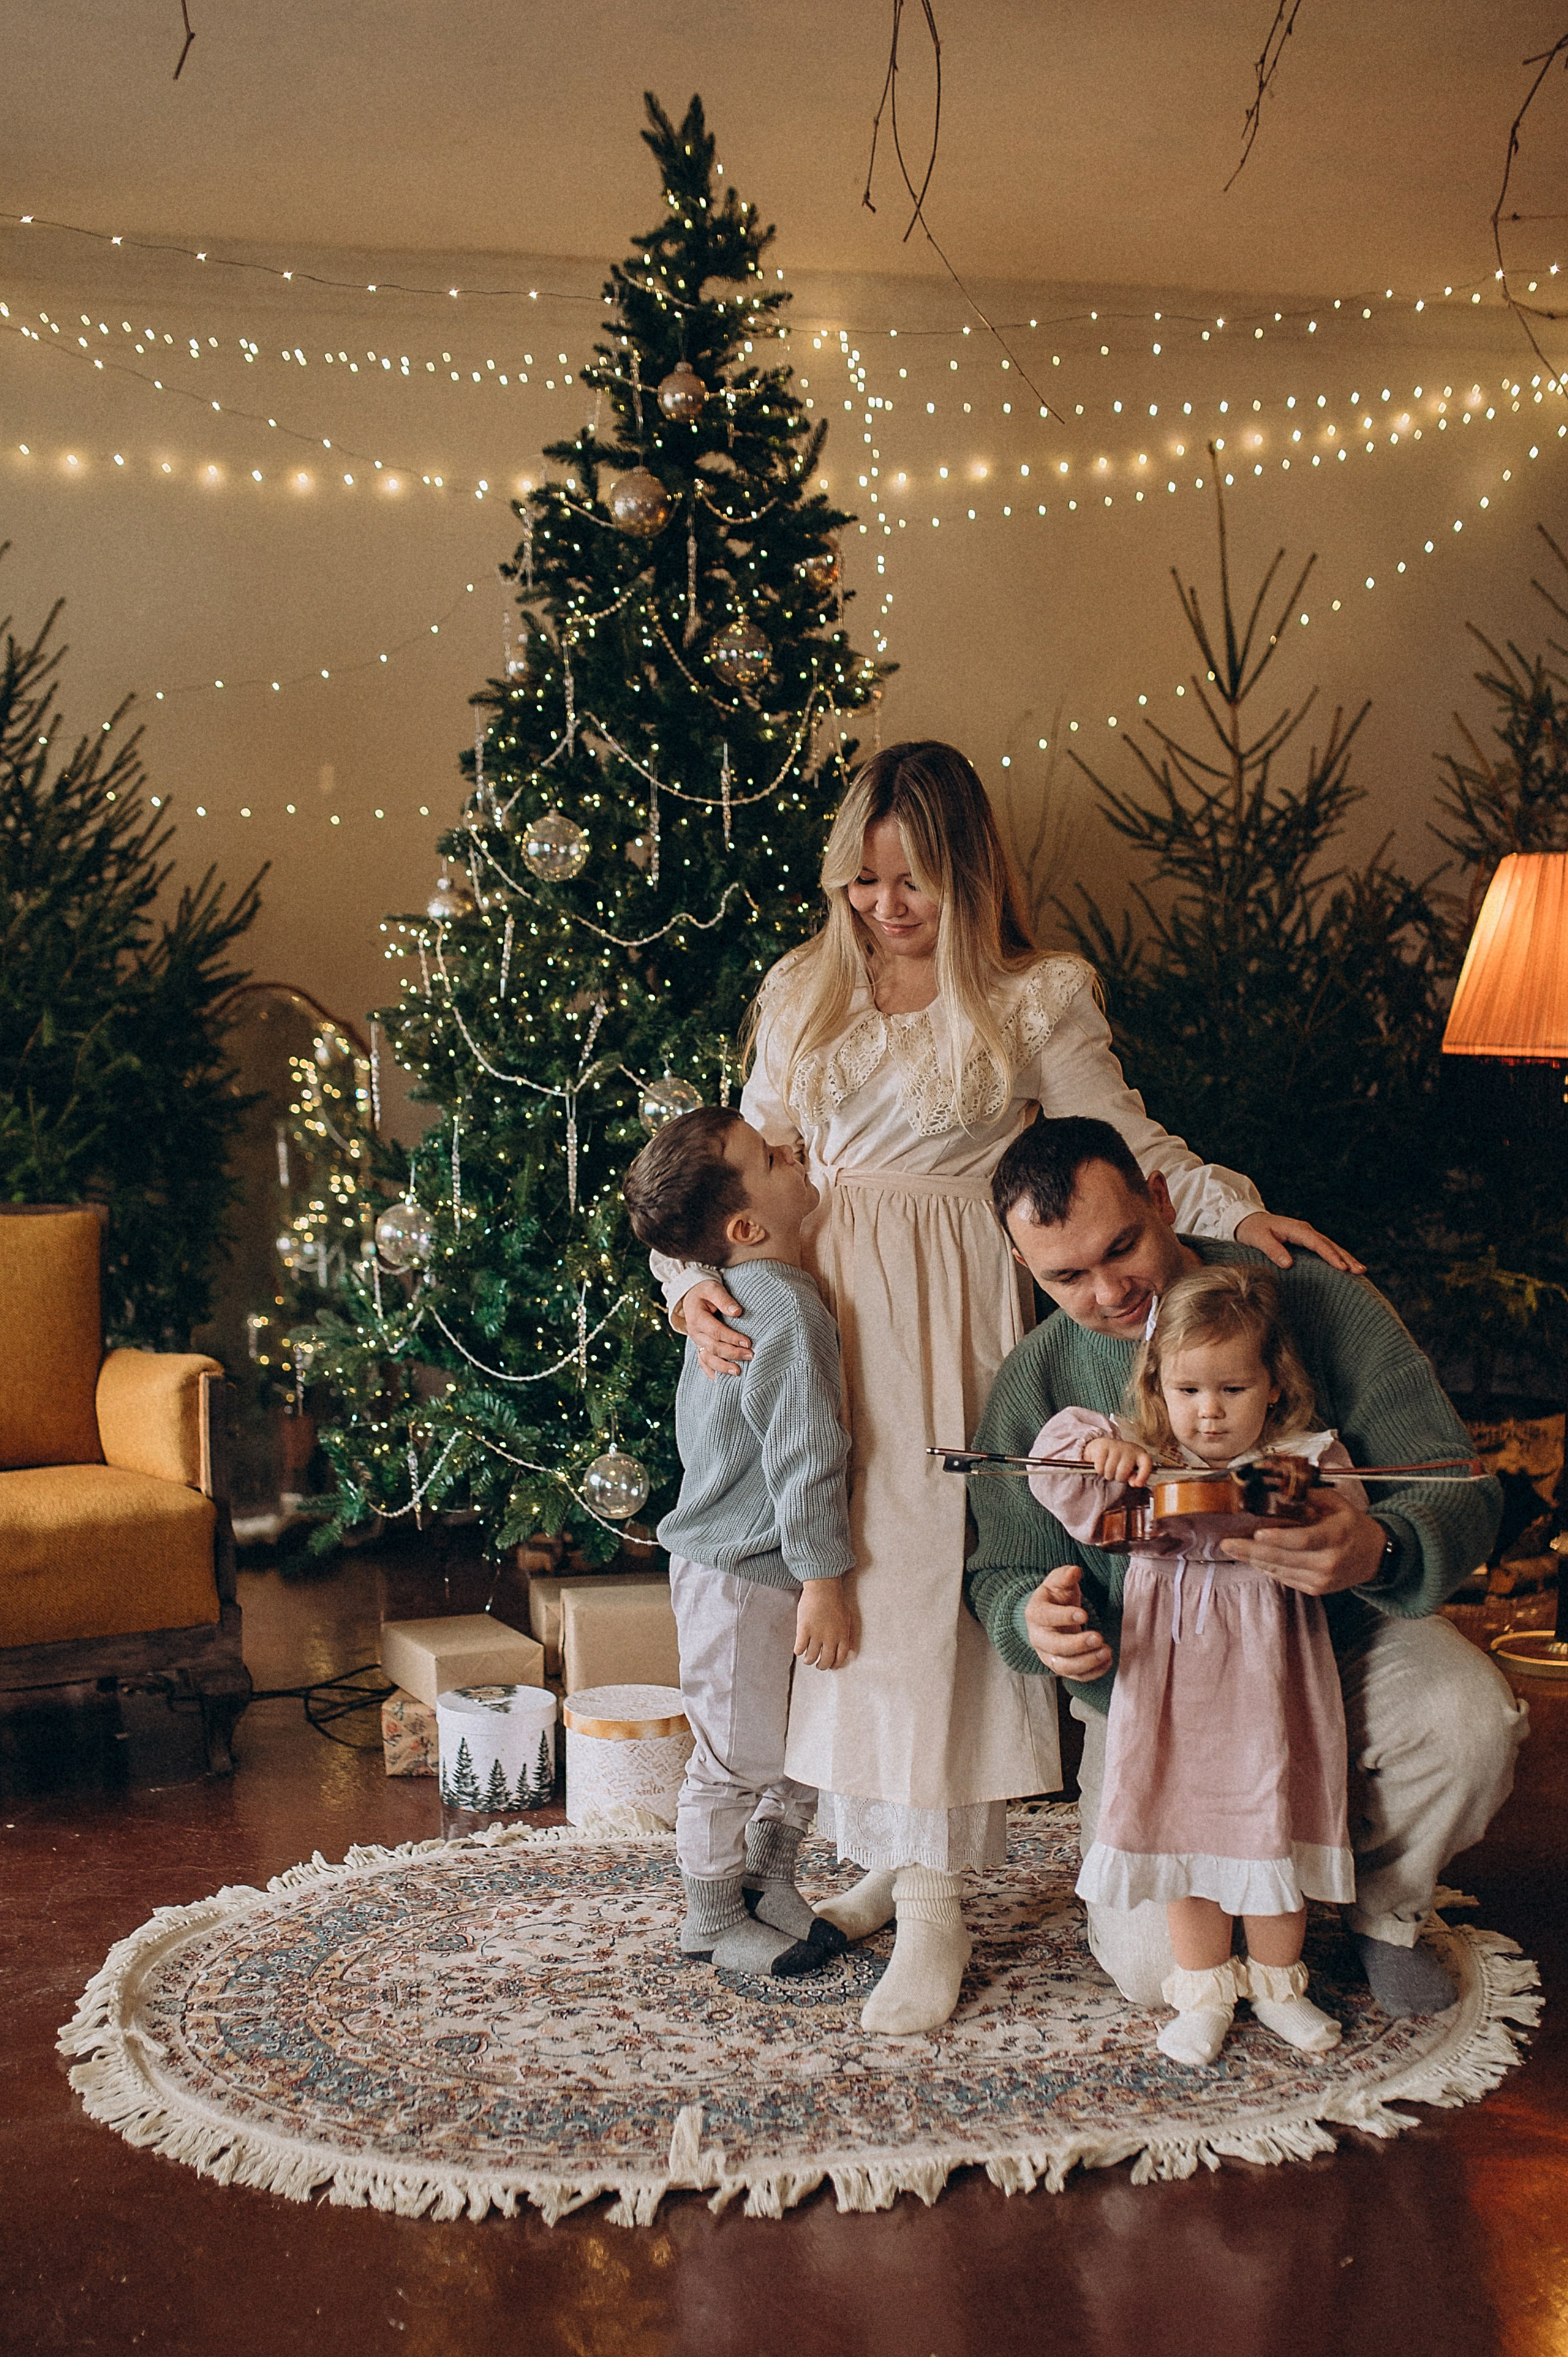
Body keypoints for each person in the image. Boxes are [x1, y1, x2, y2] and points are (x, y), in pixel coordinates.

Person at [653, 741, 1353, 2036]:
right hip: (816, 1309)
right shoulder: (802, 984)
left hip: (950, 1319)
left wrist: (1240, 1214)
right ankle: (884, 1854)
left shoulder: (1035, 996)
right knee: (841, 1591)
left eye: (910, 882)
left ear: (967, 874)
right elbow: (731, 1164)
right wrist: (683, 1281)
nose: (883, 909)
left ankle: (935, 1901)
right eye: (861, 883)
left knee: (925, 1598)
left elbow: (1127, 1151)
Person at [965, 1116, 1526, 2019]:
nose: (1108, 1293)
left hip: (1326, 1645)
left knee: (1471, 1722)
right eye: (1065, 1276)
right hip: (1161, 1689)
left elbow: (1455, 1487)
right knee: (1162, 1975)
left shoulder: (1311, 1301)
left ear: (1160, 1199)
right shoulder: (1039, 1376)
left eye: (1123, 1248)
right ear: (1025, 1266)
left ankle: (1382, 1908)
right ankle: (1281, 1879)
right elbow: (1003, 1570)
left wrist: (1377, 1545)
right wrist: (1029, 1620)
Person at [1028, 1264, 1360, 2065]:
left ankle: (1283, 1987)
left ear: (1273, 1387)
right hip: (1172, 1683)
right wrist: (1103, 1449)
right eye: (1188, 1391)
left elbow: (1344, 1516)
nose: (1208, 1413)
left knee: (1271, 1828)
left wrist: (1309, 1499)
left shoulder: (1301, 1457)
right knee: (1185, 1833)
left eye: (1233, 1391)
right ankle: (1205, 1990)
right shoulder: (1145, 1461)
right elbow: (1051, 1465)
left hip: (1267, 1685)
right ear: (1159, 1386)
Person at [624, 1104, 855, 1977]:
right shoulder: (781, 1311)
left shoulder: (754, 1296)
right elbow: (805, 1455)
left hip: (771, 1564)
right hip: (738, 1571)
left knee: (796, 1746)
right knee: (733, 1756)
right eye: (771, 1157)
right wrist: (825, 1579)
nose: (794, 1152)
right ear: (749, 1224)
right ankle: (710, 1918)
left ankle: (770, 1882)